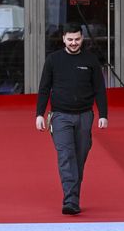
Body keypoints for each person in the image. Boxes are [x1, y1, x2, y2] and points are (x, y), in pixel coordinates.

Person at [35, 23, 108, 215]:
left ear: (82, 39)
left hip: (85, 115)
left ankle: (73, 193)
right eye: (70, 39)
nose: (73, 43)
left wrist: (103, 115)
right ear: (63, 39)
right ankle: (71, 200)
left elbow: (100, 89)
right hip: (60, 116)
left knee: (79, 158)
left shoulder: (91, 60)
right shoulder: (53, 60)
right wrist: (39, 114)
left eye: (77, 39)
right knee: (66, 156)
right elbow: (44, 88)